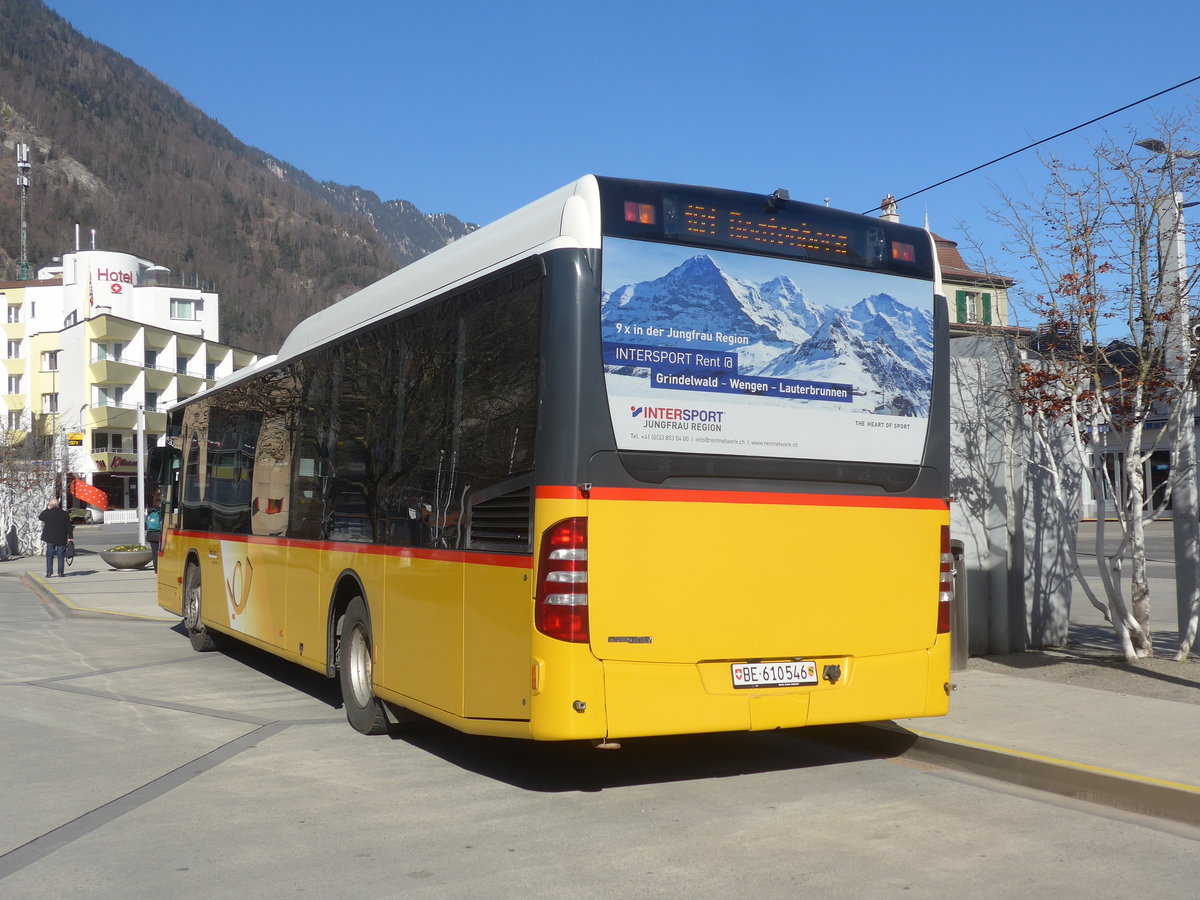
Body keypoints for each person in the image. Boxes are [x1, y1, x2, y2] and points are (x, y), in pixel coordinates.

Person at [39, 498, 74, 578]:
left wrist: (47, 509)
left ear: (50, 505)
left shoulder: (47, 513)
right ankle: (60, 573)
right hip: (61, 537)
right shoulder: (64, 513)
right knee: (61, 555)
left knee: (50, 555)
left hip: (50, 537)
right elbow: (68, 526)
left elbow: (40, 517)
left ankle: (49, 572)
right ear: (58, 505)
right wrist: (70, 537)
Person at [145, 490, 163, 572]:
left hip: (151, 534)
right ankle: (161, 567)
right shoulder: (161, 510)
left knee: (154, 553)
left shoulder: (150, 510)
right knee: (161, 551)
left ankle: (156, 569)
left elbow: (147, 523)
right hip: (158, 533)